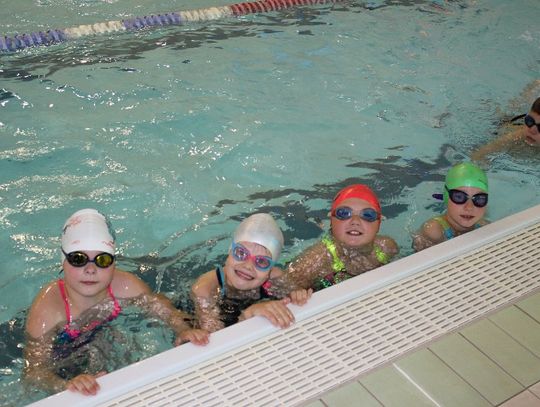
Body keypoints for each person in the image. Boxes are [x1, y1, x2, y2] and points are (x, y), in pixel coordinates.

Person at [24, 209, 209, 396]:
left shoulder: (124, 285)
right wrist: (65, 385)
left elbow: (161, 308)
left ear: (113, 263)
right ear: (63, 261)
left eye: (102, 259)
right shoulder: (49, 308)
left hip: (102, 335)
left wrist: (183, 329)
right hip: (63, 355)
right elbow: (34, 372)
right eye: (78, 259)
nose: (90, 269)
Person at [191, 213, 312, 333]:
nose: (248, 266)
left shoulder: (275, 277)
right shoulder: (205, 289)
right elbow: (216, 339)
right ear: (229, 253)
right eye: (241, 253)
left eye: (262, 261)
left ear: (269, 270)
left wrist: (297, 295)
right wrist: (248, 314)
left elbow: (297, 295)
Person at [285, 184, 399, 291]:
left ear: (379, 223)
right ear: (331, 220)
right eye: (344, 213)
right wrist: (297, 293)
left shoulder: (386, 247)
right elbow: (284, 288)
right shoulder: (317, 258)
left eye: (368, 215)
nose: (355, 221)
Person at [412, 162, 489, 252]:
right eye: (459, 197)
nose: (469, 207)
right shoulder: (434, 231)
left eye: (479, 199)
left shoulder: (483, 225)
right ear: (446, 197)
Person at [471, 96, 540, 161]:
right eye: (529, 121)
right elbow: (478, 156)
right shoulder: (515, 137)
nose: (532, 130)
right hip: (505, 124)